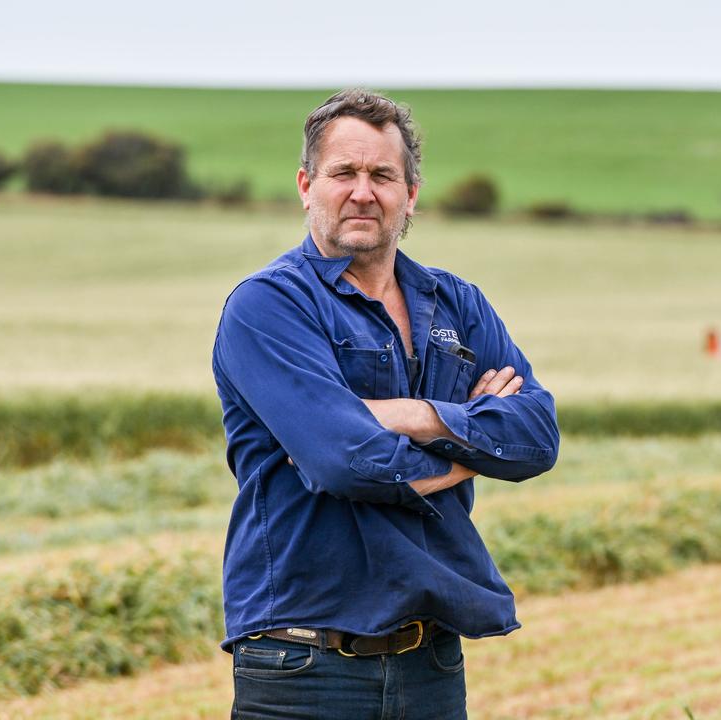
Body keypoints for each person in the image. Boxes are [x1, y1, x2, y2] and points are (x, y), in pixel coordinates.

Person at [212, 88, 560, 719]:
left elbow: (536, 436)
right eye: (344, 172)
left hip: (430, 661)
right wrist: (476, 447)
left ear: (412, 194)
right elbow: (342, 461)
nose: (363, 191)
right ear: (306, 185)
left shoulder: (458, 304)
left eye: (382, 175)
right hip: (302, 664)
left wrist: (409, 415)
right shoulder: (269, 307)